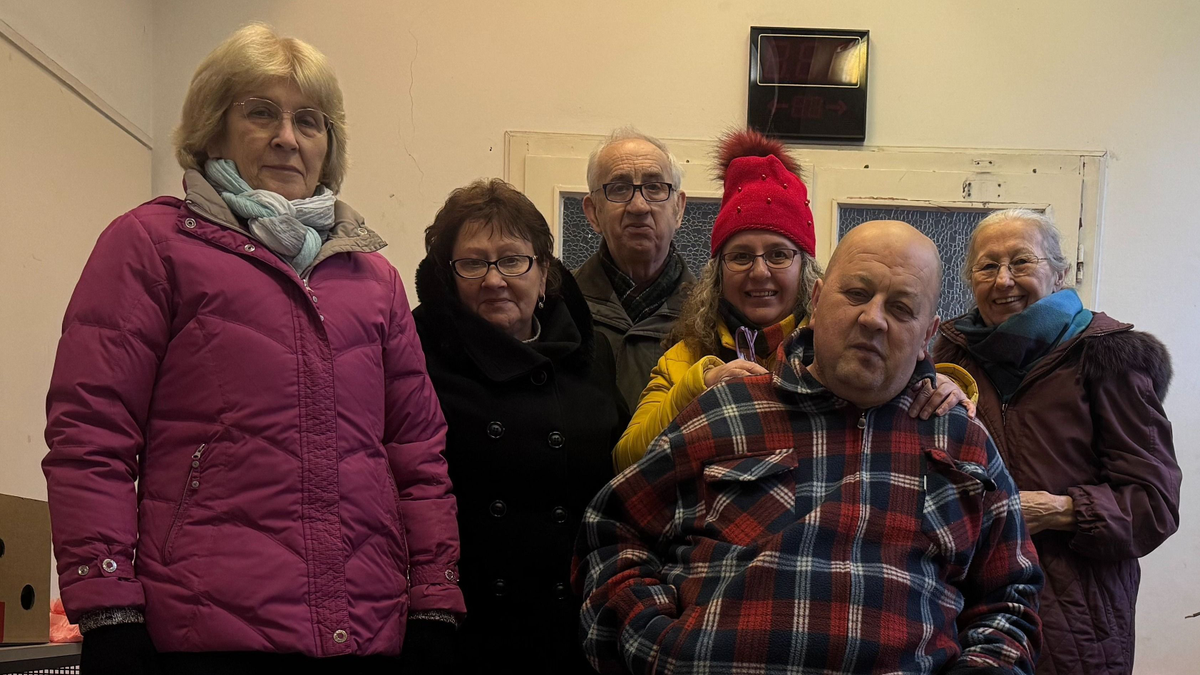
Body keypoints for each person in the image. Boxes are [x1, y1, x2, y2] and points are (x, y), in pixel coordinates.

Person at [42, 24, 462, 674]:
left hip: (365, 633)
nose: (288, 137)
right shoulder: (150, 244)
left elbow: (418, 456)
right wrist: (106, 604)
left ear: (328, 145)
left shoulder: (373, 278)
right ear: (214, 130)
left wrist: (435, 599)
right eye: (261, 112)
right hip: (203, 634)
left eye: (309, 121)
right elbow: (90, 434)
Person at [575, 220, 1043, 675]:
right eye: (856, 294)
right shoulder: (725, 411)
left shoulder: (960, 442)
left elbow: (1011, 601)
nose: (873, 319)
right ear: (816, 302)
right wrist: (657, 649)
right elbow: (613, 532)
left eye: (902, 308)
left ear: (927, 335)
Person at [613, 130, 977, 471]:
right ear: (717, 272)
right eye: (740, 256)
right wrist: (698, 385)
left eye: (778, 255)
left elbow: (897, 378)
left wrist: (948, 386)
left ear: (806, 270)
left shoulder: (839, 347)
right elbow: (626, 460)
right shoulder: (684, 359)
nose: (759, 272)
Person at [932, 209, 1181, 675]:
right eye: (987, 266)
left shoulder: (1109, 357)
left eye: (1021, 262)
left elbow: (1154, 506)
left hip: (1075, 628)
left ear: (1060, 273)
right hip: (965, 616)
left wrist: (1058, 509)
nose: (1004, 280)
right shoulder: (948, 359)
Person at [412, 179, 627, 674]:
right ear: (448, 276)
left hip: (575, 625)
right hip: (467, 628)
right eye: (473, 263)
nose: (494, 280)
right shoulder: (420, 353)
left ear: (544, 270)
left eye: (512, 260)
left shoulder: (590, 354)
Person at [574, 128, 696, 408]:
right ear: (593, 213)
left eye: (654, 188)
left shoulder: (711, 316)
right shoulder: (557, 305)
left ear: (678, 209)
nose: (639, 206)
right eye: (619, 188)